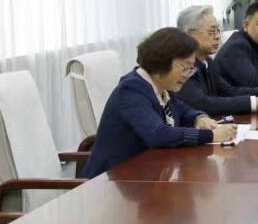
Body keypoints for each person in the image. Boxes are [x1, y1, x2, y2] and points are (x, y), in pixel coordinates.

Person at [82, 28, 237, 179]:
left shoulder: (162, 85)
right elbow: (158, 134)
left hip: (146, 173)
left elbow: (182, 109)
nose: (187, 75)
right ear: (161, 62)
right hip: (110, 181)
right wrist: (211, 135)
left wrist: (199, 118)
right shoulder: (131, 90)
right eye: (184, 67)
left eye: (191, 68)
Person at [176, 5, 258, 117]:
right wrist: (255, 103)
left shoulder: (208, 62)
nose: (217, 37)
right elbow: (203, 104)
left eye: (218, 31)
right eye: (212, 32)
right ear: (189, 35)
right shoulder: (182, 66)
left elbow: (228, 91)